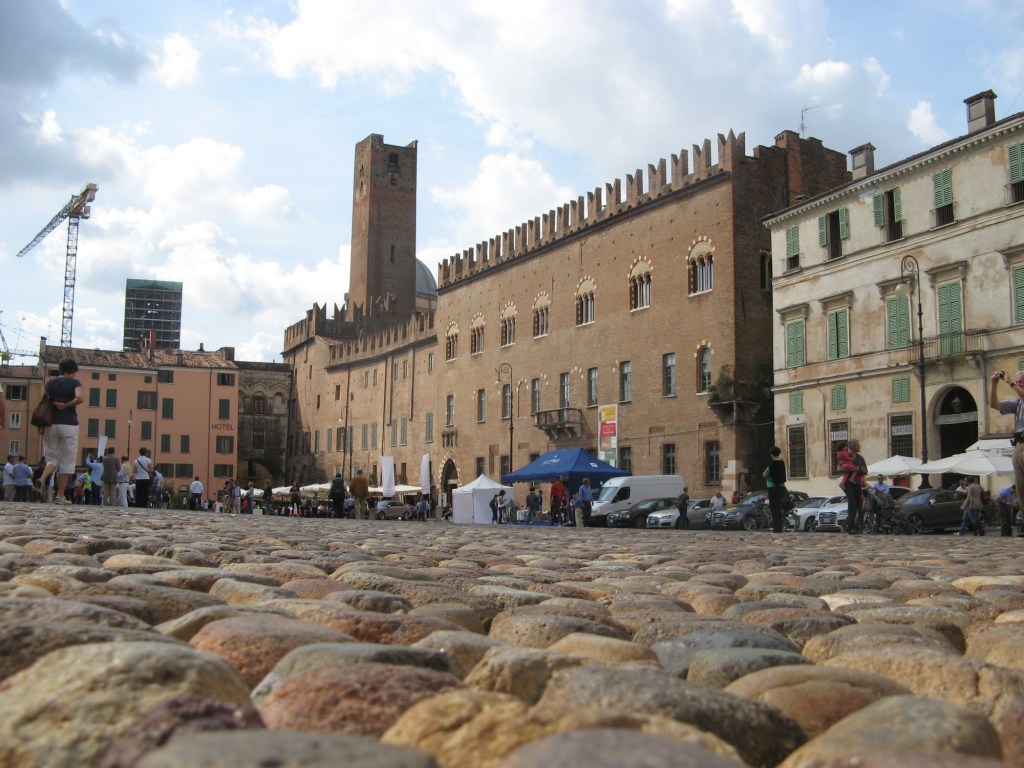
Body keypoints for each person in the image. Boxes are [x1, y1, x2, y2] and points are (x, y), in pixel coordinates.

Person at [35, 358, 84, 504]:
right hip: (69, 424)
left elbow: (43, 403)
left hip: (50, 424)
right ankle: (59, 496)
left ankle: (43, 478)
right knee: (67, 461)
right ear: (72, 370)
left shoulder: (50, 383)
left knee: (52, 458)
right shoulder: (75, 383)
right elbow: (80, 398)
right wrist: (67, 404)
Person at [990, 369, 1024, 520]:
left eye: (1021, 382)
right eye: (1017, 382)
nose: (1018, 384)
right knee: (1021, 487)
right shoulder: (1017, 402)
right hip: (1019, 444)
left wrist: (1010, 383)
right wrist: (994, 384)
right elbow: (994, 405)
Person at [843, 439, 868, 533]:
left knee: (859, 505)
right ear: (852, 446)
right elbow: (840, 469)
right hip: (849, 483)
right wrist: (854, 468)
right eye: (857, 445)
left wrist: (860, 469)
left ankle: (859, 527)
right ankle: (851, 527)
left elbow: (865, 471)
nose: (859, 446)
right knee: (851, 504)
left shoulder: (860, 458)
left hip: (858, 483)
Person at [763, 446, 788, 533]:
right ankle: (780, 527)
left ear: (771, 454)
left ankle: (776, 528)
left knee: (774, 508)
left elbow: (765, 475)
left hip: (772, 487)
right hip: (781, 486)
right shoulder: (782, 462)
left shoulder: (771, 464)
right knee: (779, 508)